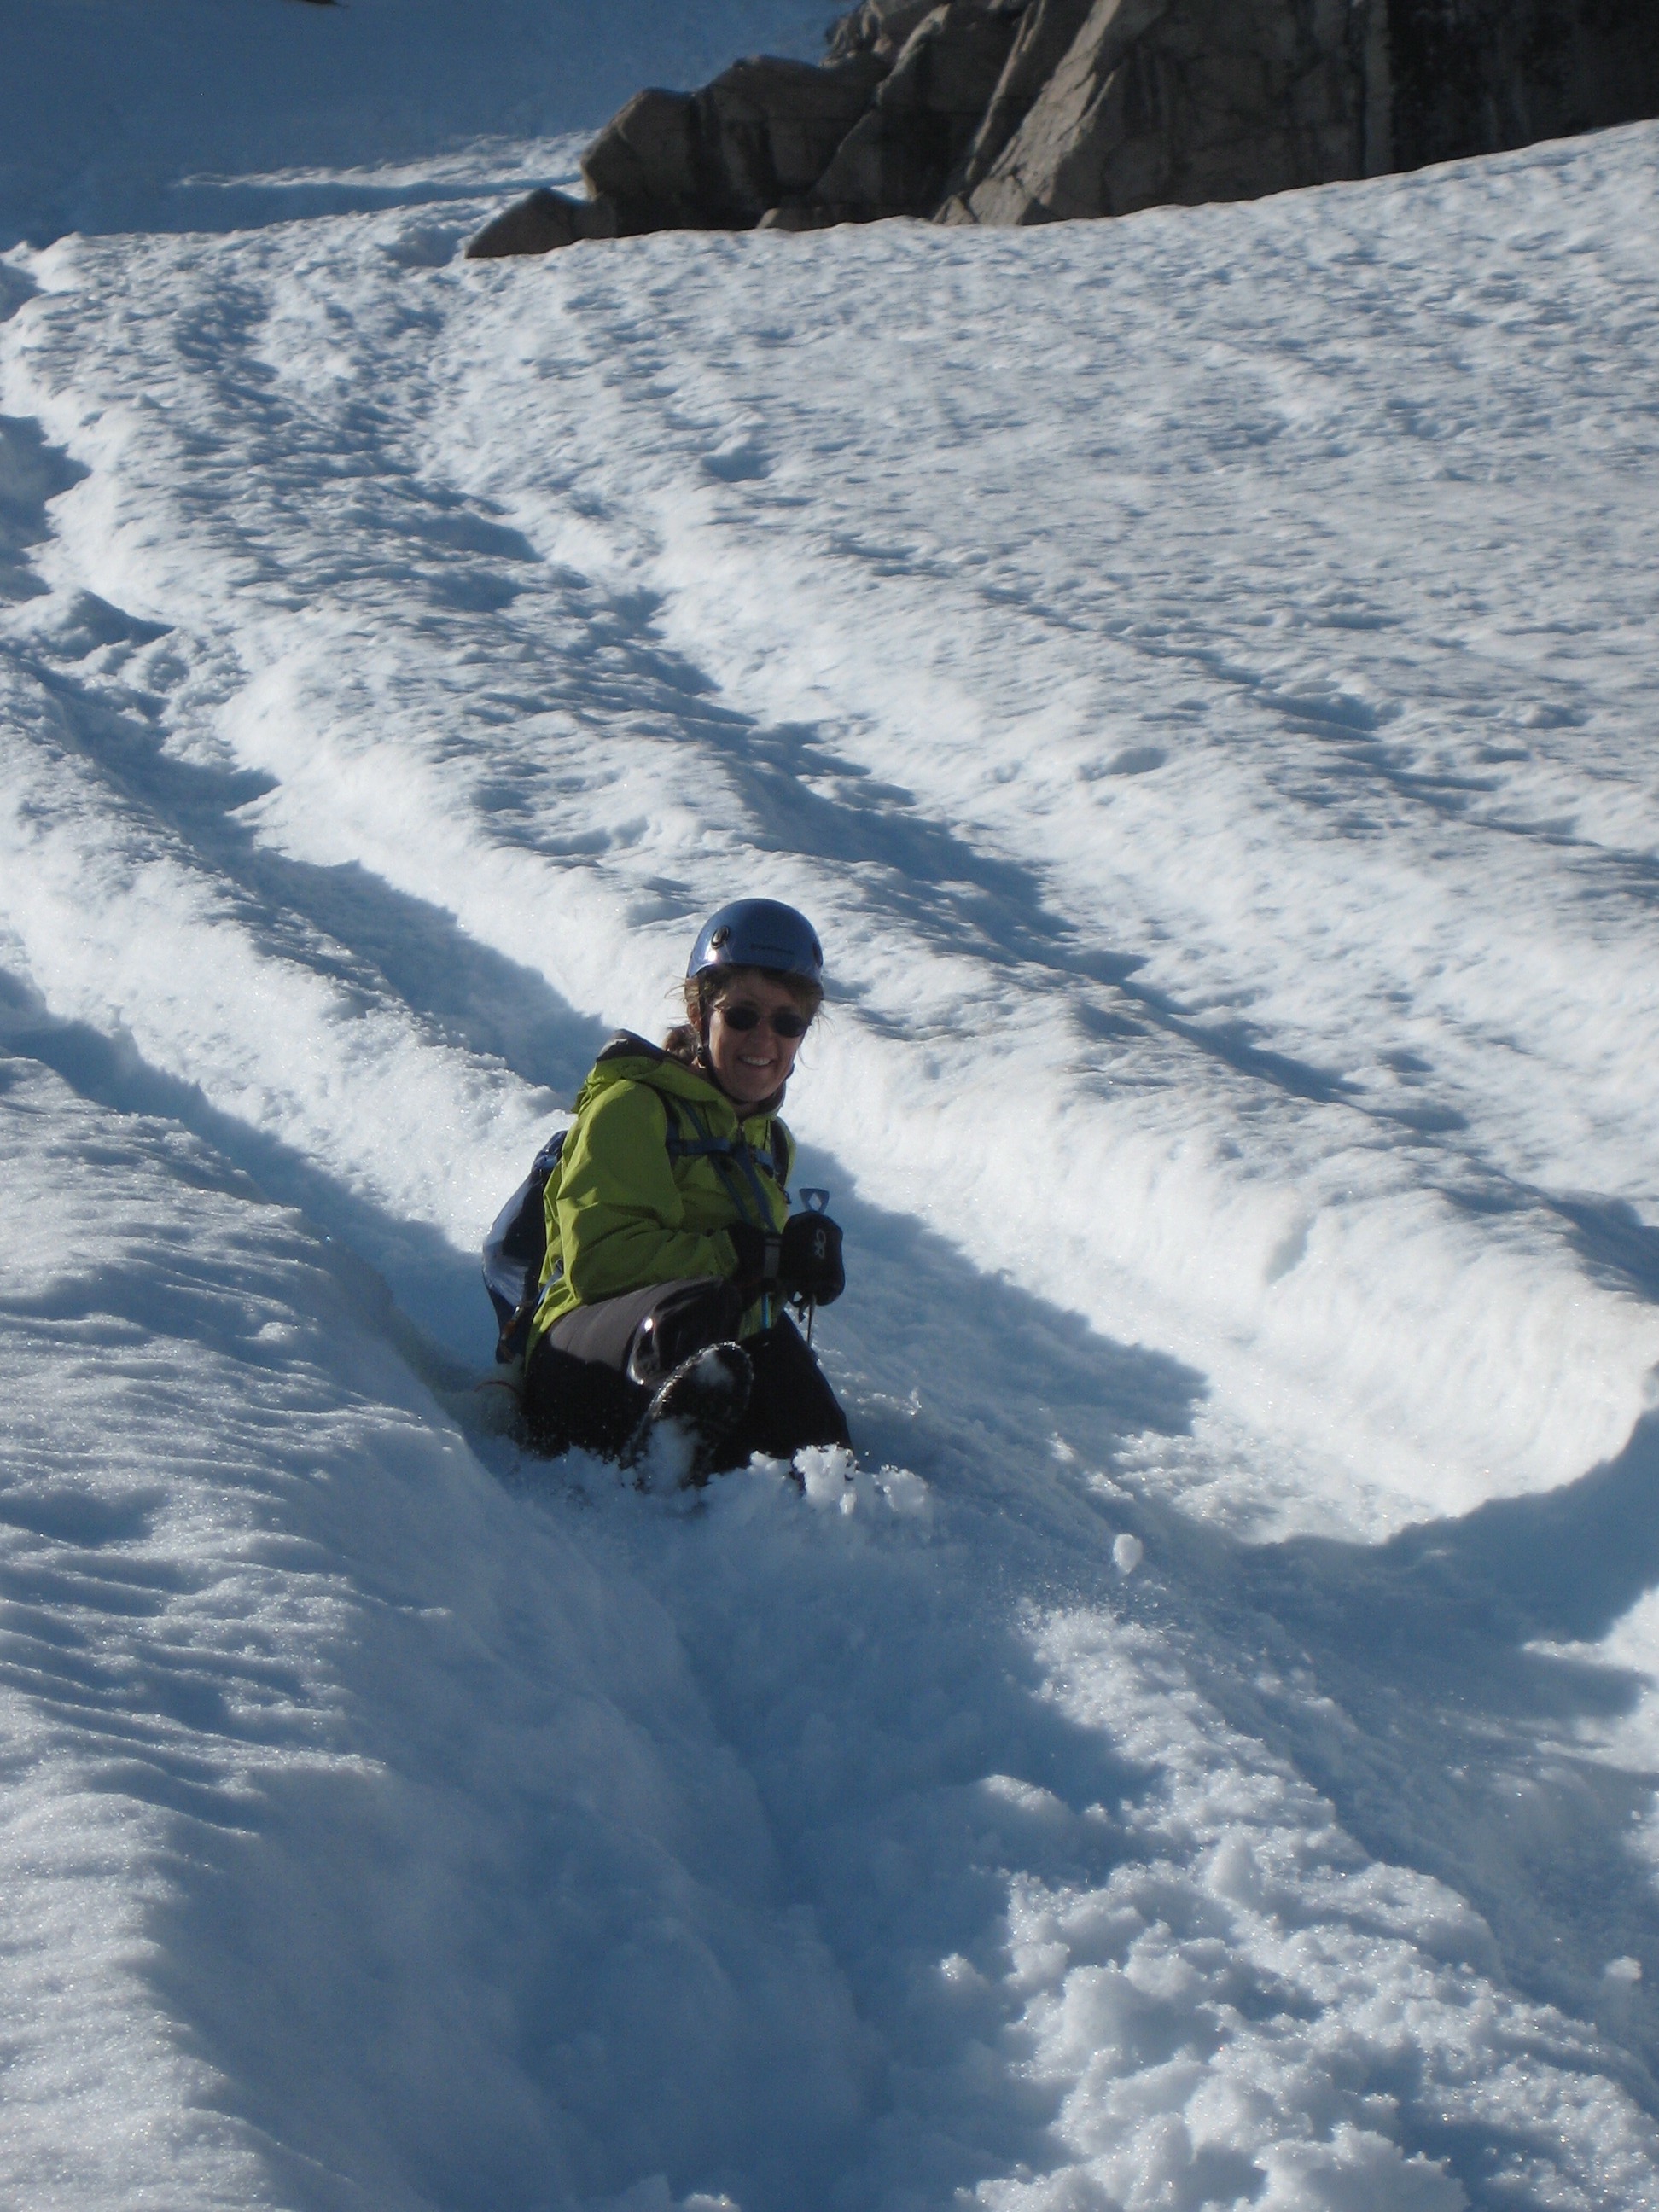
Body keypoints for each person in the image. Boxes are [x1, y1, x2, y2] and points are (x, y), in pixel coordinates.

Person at [521, 899, 850, 1483]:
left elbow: (750, 1282)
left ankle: (724, 1456)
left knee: (818, 1432)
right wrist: (744, 1256)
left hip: (704, 1349)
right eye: (742, 1015)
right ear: (700, 1015)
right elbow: (601, 1262)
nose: (764, 1039)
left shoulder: (770, 1144)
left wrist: (793, 1265)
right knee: (700, 1308)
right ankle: (658, 1469)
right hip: (580, 1357)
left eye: (788, 1023)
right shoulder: (632, 1108)